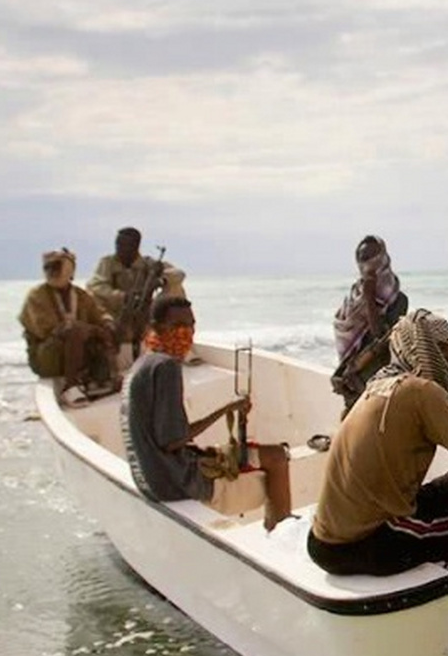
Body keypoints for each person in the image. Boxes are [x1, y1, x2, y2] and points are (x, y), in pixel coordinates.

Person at [307, 310, 448, 612]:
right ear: (424, 350)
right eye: (446, 357)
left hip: (322, 543)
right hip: (365, 545)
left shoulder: (377, 386)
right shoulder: (420, 391)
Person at [121, 295, 293, 530]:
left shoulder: (142, 364)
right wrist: (226, 410)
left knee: (257, 454)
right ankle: (281, 533)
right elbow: (172, 441)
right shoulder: (166, 367)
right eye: (178, 326)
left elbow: (165, 436)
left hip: (152, 478)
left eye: (191, 325)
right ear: (158, 328)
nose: (186, 332)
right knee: (277, 457)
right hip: (175, 481)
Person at [19, 248, 119, 405]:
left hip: (78, 353)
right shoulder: (36, 295)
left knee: (107, 330)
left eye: (56, 266)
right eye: (48, 267)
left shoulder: (81, 295)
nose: (52, 271)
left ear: (70, 269)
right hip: (47, 356)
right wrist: (88, 329)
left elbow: (100, 315)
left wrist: (107, 325)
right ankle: (70, 387)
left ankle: (104, 379)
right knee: (73, 330)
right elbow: (49, 329)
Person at [331, 234, 410, 412]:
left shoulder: (398, 300)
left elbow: (381, 336)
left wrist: (369, 298)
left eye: (373, 257)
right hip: (352, 377)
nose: (368, 263)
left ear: (383, 258)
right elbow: (345, 334)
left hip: (378, 377)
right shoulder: (353, 296)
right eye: (363, 258)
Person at [88, 226, 187, 361]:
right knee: (91, 296)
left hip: (145, 312)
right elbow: (96, 285)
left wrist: (160, 279)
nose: (119, 248)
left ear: (135, 246)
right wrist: (123, 296)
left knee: (175, 288)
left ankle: (174, 333)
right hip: (116, 312)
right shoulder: (108, 262)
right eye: (117, 244)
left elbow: (179, 274)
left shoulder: (148, 264)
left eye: (124, 245)